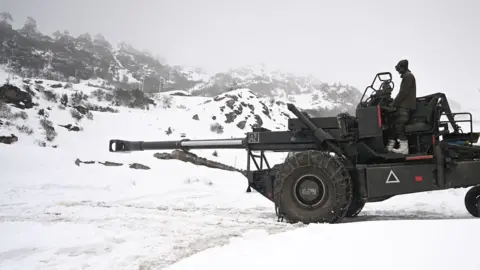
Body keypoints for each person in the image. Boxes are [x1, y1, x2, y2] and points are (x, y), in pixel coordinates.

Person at [386, 59, 417, 154]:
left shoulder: (408, 76)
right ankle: (390, 145)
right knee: (393, 123)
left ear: (403, 67)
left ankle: (404, 149)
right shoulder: (407, 76)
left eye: (399, 68)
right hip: (404, 106)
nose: (398, 71)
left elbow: (403, 92)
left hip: (405, 107)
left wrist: (394, 103)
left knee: (399, 125)